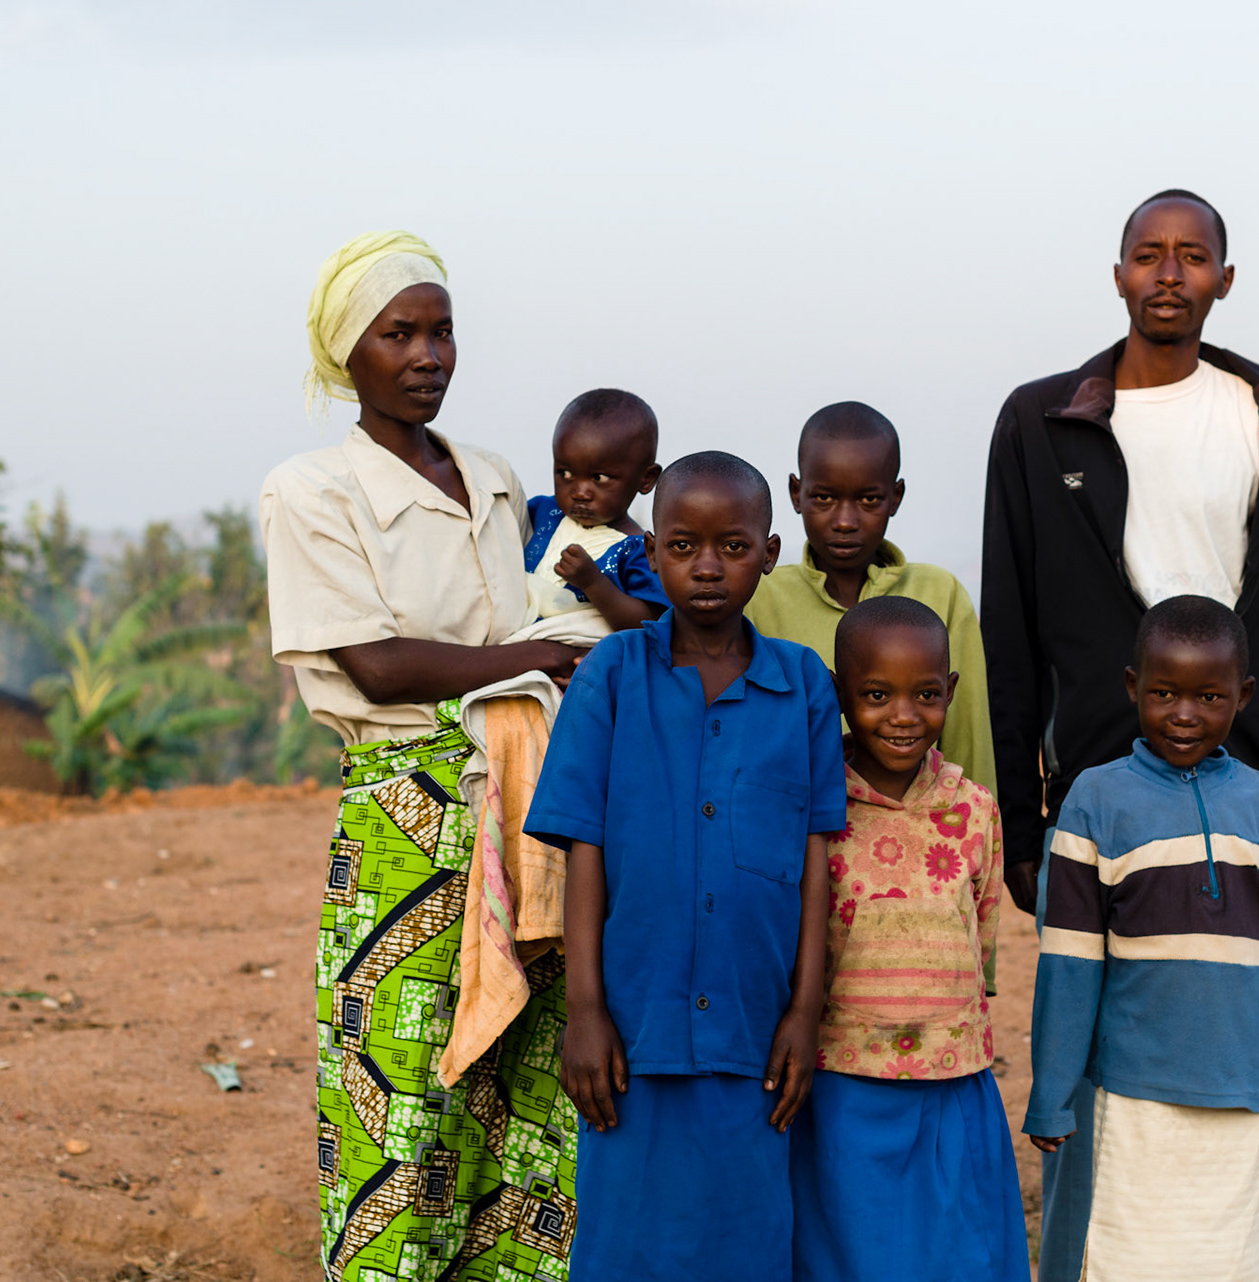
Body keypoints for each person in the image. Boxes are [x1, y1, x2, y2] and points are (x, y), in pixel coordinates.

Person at [979, 188, 1259, 1279]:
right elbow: (1012, 638)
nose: (1170, 274)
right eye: (1149, 254)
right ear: (1117, 274)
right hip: (1104, 790)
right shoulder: (1043, 422)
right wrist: (1022, 823)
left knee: (1220, 1046)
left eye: (1194, 257)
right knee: (1094, 1066)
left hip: (1250, 797)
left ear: (1224, 281)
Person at [260, 230, 584, 1280]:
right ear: (347, 353)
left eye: (441, 330)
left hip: (527, 799)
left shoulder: (490, 476)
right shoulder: (312, 491)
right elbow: (375, 662)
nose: (427, 354)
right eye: (397, 333)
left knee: (524, 1093)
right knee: (399, 1092)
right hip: (407, 820)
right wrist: (532, 656)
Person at [524, 451, 846, 1282]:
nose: (707, 567)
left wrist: (805, 1012)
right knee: (623, 1248)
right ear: (652, 551)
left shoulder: (805, 685)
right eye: (682, 546)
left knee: (747, 1246)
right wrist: (587, 1011)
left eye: (733, 546)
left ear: (769, 553)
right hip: (634, 1030)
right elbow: (583, 851)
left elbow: (814, 855)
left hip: (754, 1034)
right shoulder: (612, 679)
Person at [1023, 596, 1259, 1282]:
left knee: (1223, 1260)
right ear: (1133, 688)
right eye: (1163, 694)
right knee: (1131, 1259)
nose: (1184, 714)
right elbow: (1068, 966)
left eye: (1209, 696)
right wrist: (1053, 1092)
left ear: (1242, 697)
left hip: (1240, 1092)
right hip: (1132, 1095)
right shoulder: (1094, 800)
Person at [789, 597, 1026, 1282]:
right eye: (876, 695)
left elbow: (981, 933)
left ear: (949, 692)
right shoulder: (815, 805)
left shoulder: (974, 809)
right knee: (854, 1251)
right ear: (839, 693)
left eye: (925, 695)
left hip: (953, 1077)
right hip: (844, 1082)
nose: (903, 715)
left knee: (957, 1252)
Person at [746, 401, 996, 791]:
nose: (845, 521)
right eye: (824, 498)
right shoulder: (760, 596)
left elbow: (968, 732)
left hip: (928, 837)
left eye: (869, 500)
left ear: (895, 497)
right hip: (795, 831)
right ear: (797, 493)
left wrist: (978, 824)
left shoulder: (939, 592)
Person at [520, 388, 668, 636]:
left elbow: (649, 624)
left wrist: (593, 583)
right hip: (510, 640)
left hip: (580, 659)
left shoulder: (640, 552)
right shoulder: (542, 512)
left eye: (599, 478)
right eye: (565, 473)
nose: (579, 492)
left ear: (646, 478)